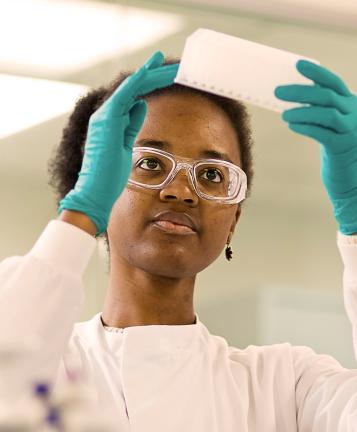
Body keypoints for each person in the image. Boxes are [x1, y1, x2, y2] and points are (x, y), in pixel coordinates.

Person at [0, 50, 356, 431]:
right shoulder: (52, 369)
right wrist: (80, 213)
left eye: (212, 175)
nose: (183, 191)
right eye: (151, 164)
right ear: (99, 183)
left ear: (233, 218)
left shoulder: (286, 387)